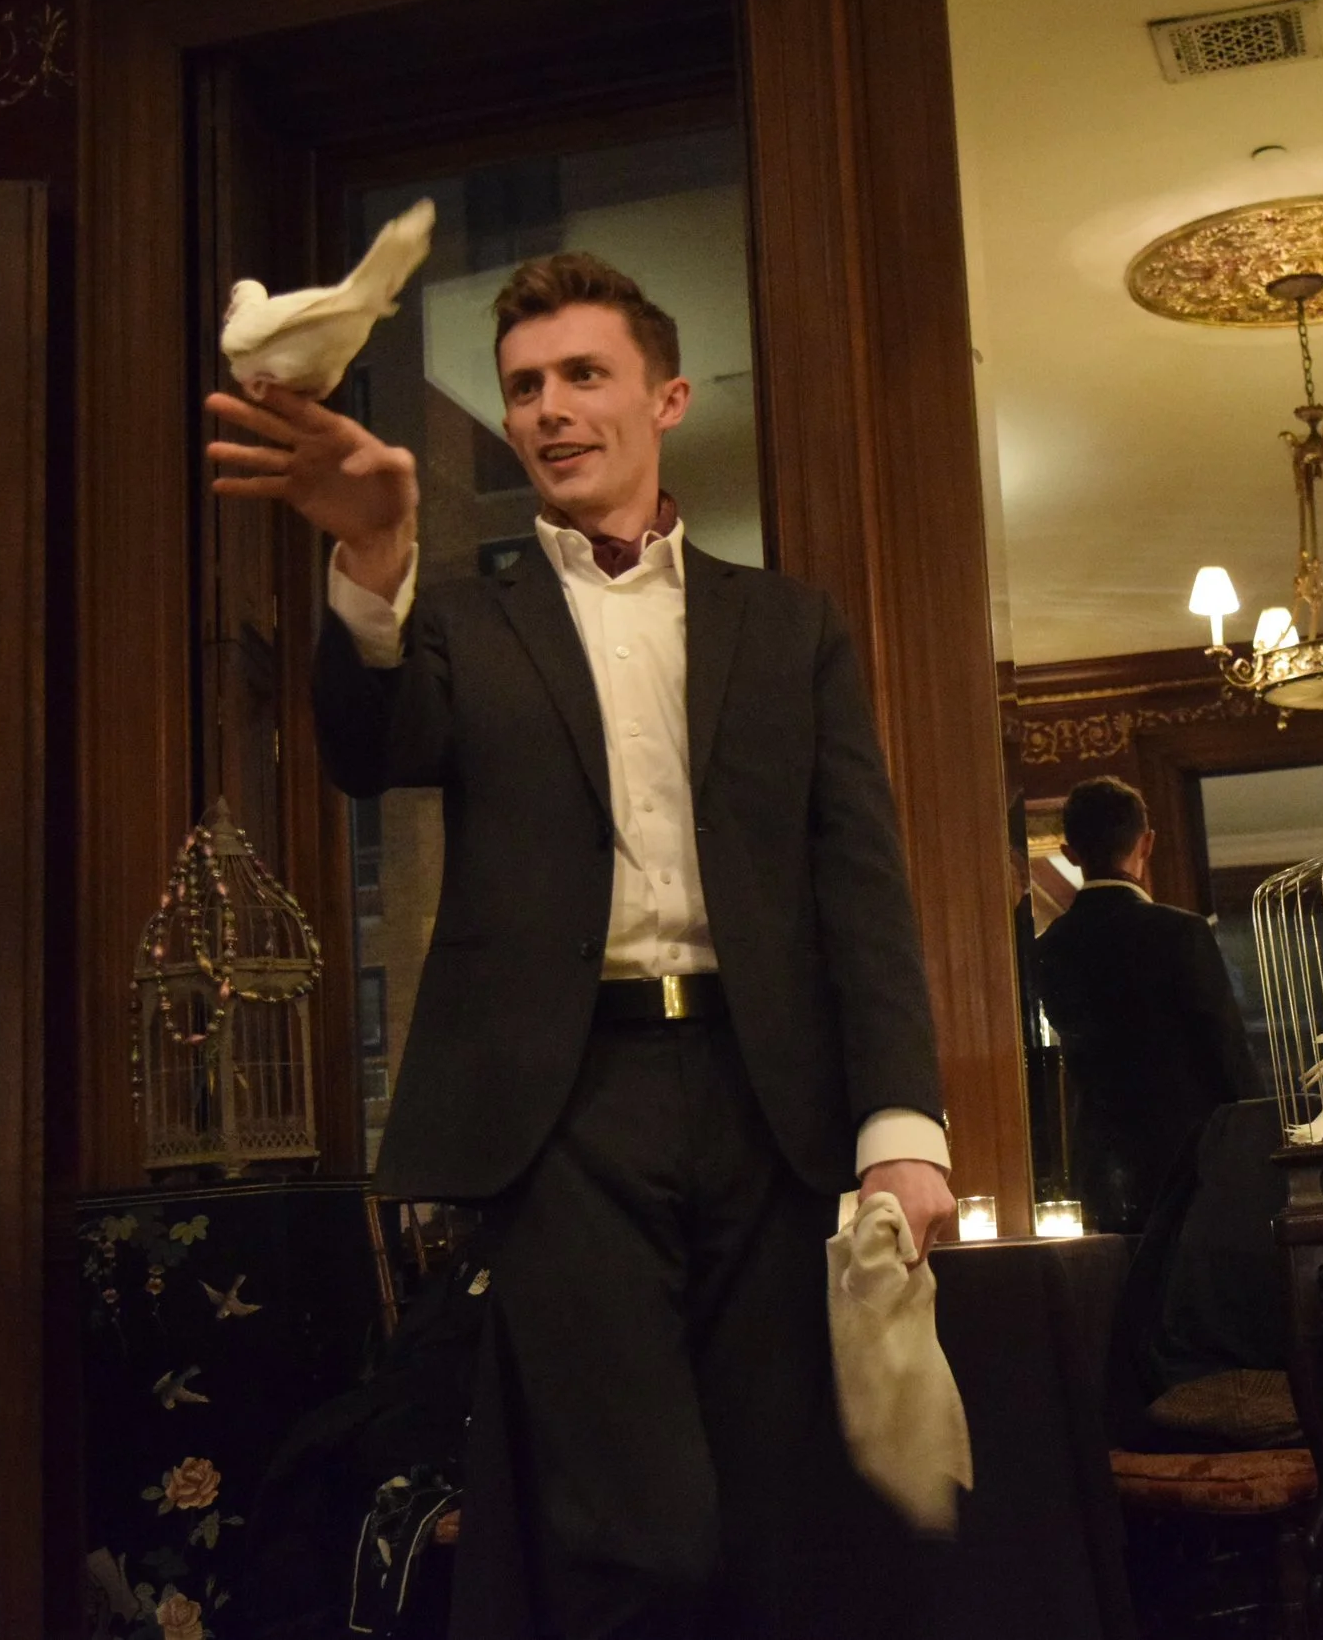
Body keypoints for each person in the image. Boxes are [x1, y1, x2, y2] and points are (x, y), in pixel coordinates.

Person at [206, 251, 955, 1639]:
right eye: (525, 387)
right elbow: (370, 751)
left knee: (781, 1528)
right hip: (565, 1114)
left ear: (665, 398)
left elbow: (859, 879)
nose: (549, 408)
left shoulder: (790, 625)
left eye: (583, 375)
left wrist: (900, 1122)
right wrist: (371, 557)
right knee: (638, 1534)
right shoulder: (464, 625)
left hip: (770, 1101)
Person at [1032, 775, 1260, 1234]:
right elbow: (1226, 1049)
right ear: (1147, 843)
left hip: (1097, 1163)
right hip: (1190, 1157)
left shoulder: (1048, 946)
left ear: (1070, 852)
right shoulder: (1182, 932)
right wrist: (1257, 1134)